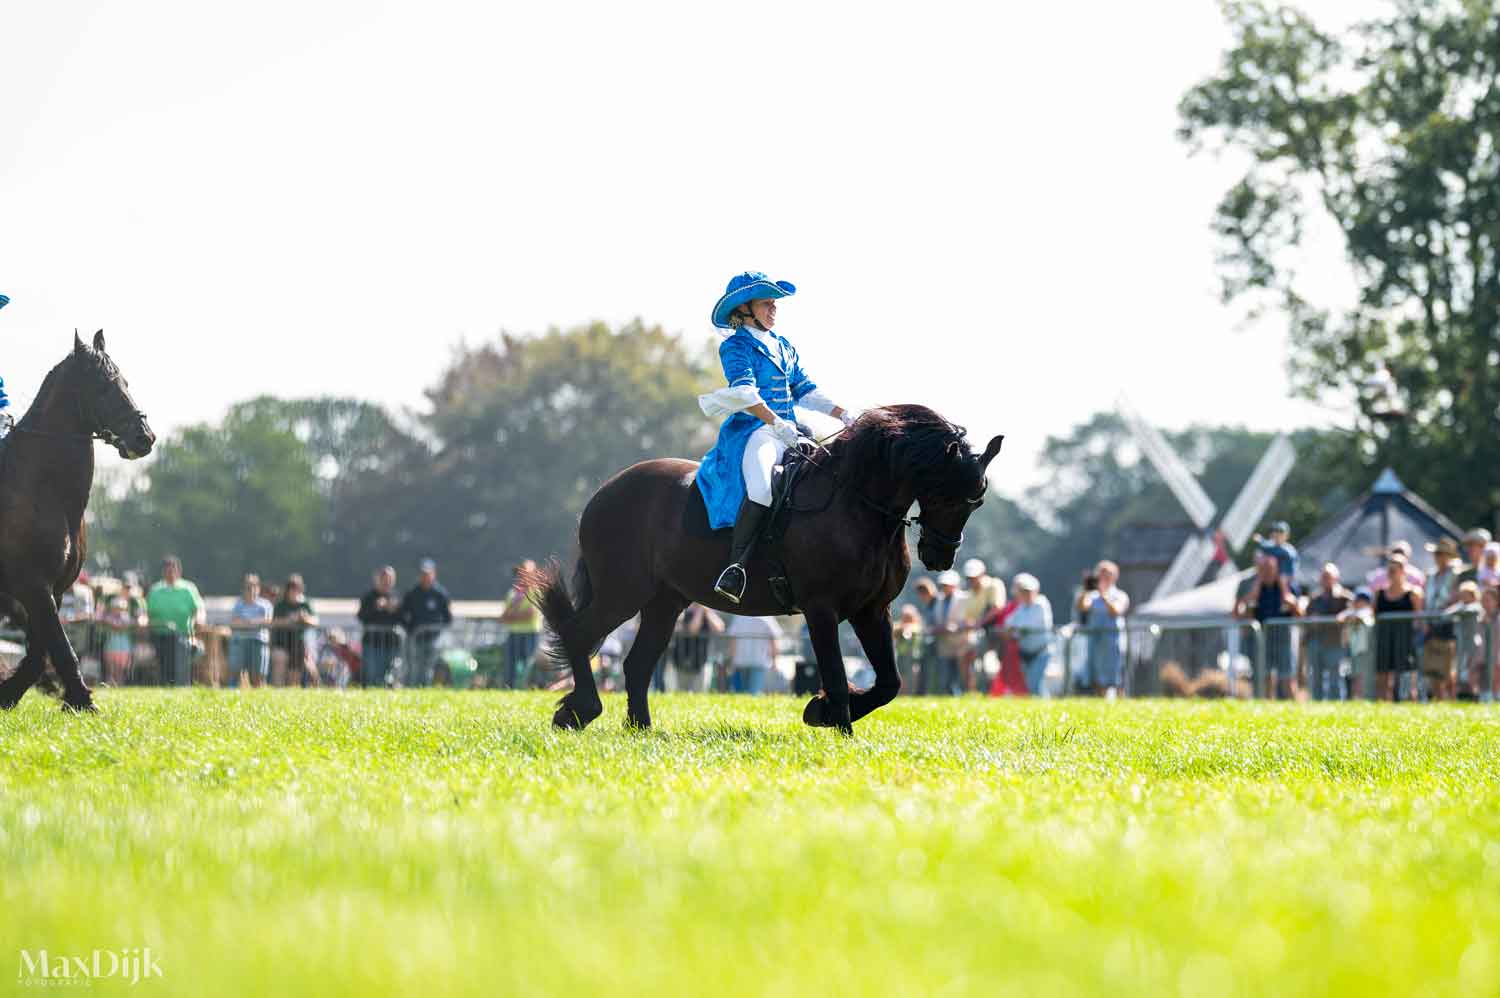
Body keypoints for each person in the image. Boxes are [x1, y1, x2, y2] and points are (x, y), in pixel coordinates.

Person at [696, 272, 858, 604]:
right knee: (761, 488)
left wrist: (843, 413)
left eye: (774, 304)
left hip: (791, 429)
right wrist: (777, 424)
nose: (773, 310)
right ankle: (736, 567)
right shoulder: (736, 346)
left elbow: (805, 390)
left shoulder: (783, 346)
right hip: (756, 431)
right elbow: (744, 393)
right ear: (744, 309)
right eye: (766, 303)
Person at [1234, 552, 1302, 699]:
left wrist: (1284, 589)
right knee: (1265, 677)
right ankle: (1267, 707)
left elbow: (1300, 614)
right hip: (1261, 641)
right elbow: (1239, 611)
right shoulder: (1252, 585)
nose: (1266, 572)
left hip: (1284, 639)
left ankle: (1295, 708)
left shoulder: (1288, 584)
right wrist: (1255, 588)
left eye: (1269, 568)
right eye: (1263, 568)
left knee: (1287, 677)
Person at [146, 556, 205, 686]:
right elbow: (147, 613)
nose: (170, 574)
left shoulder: (188, 589)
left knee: (183, 658)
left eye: (173, 570)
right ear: (163, 572)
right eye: (167, 571)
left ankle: (182, 685)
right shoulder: (155, 590)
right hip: (160, 636)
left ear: (179, 571)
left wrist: (199, 620)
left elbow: (199, 609)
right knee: (165, 664)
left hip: (183, 635)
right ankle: (167, 685)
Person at [1373, 554, 1423, 701]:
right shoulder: (1379, 594)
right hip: (1384, 639)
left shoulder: (1413, 594)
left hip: (1406, 640)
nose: (1391, 573)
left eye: (1394, 570)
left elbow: (1419, 619)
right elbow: (1373, 614)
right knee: (1383, 677)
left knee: (1407, 678)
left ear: (1403, 571)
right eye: (1389, 570)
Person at [1077, 560, 1129, 698]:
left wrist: (1103, 595)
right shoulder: (1091, 595)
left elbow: (1115, 611)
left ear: (1114, 576)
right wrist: (1085, 590)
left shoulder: (1119, 595)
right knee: (1096, 678)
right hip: (1095, 640)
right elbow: (1082, 607)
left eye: (1107, 574)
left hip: (1113, 642)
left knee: (1116, 678)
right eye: (1101, 573)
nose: (1103, 577)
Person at [1420, 538, 1463, 700]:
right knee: (1432, 666)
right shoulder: (1430, 576)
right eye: (1437, 554)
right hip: (1432, 624)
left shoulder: (1457, 574)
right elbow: (1426, 599)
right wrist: (1424, 621)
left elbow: (1457, 596)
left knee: (1448, 665)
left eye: (1442, 554)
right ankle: (1439, 699)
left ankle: (1451, 699)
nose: (1438, 557)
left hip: (1449, 624)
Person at [400, 558, 453, 686]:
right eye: (423, 574)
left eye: (428, 574)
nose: (425, 577)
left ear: (433, 574)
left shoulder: (440, 594)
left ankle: (424, 688)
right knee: (413, 666)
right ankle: (411, 688)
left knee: (428, 668)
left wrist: (437, 629)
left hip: (433, 638)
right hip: (415, 638)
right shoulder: (412, 594)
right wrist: (411, 629)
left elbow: (447, 617)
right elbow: (403, 614)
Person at [1303, 563, 1352, 701]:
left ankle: (1336, 704)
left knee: (1335, 677)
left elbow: (1353, 608)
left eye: (1328, 576)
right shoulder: (1315, 598)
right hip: (1315, 641)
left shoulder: (1344, 596)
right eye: (1323, 577)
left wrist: (1343, 615)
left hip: (1335, 642)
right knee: (1316, 677)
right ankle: (1317, 703)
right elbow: (1307, 616)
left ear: (1336, 578)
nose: (1325, 580)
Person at [958, 559, 1005, 692]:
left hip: (997, 632)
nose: (972, 580)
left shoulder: (994, 585)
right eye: (969, 578)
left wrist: (978, 623)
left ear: (982, 573)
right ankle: (972, 690)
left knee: (993, 664)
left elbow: (996, 608)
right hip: (982, 634)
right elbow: (969, 617)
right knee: (967, 656)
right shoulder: (970, 594)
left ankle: (993, 690)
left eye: (974, 577)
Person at [1004, 573, 1053, 696]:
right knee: (1034, 685)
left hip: (1041, 652)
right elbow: (1009, 623)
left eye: (1028, 591)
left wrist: (1014, 629)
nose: (1026, 594)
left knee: (1034, 684)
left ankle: (1045, 709)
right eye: (1023, 591)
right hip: (1025, 653)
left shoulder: (1041, 603)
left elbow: (1029, 626)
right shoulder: (1021, 607)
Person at [500, 561, 544, 689]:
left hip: (530, 633)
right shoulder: (512, 594)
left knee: (529, 664)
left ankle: (530, 687)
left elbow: (530, 615)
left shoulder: (535, 592)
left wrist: (513, 615)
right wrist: (517, 612)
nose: (522, 576)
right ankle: (509, 688)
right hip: (513, 633)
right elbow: (504, 618)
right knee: (510, 664)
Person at [356, 566, 402, 689]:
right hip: (372, 644)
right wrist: (375, 607)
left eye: (389, 579)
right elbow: (361, 616)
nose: (386, 582)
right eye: (384, 579)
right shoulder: (368, 597)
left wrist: (394, 610)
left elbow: (404, 619)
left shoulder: (396, 597)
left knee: (392, 674)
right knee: (372, 676)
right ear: (378, 579)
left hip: (392, 643)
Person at [271, 575, 320, 687]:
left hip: (298, 643)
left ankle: (292, 690)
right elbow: (274, 621)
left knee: (295, 673)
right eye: (292, 588)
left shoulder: (305, 604)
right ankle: (278, 692)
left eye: (298, 588)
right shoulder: (280, 605)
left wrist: (304, 618)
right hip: (281, 643)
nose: (295, 591)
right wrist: (290, 620)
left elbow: (315, 621)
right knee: (280, 667)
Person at [227, 573, 274, 689]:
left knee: (259, 675)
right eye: (247, 587)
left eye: (253, 586)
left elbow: (268, 621)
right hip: (240, 641)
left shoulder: (265, 605)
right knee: (235, 673)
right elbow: (234, 623)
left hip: (259, 642)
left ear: (258, 588)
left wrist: (246, 622)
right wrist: (254, 622)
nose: (250, 590)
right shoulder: (238, 604)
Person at [928, 571, 969, 695]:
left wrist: (955, 627)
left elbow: (969, 619)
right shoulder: (939, 600)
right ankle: (952, 693)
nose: (945, 587)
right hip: (944, 642)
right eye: (943, 585)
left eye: (947, 585)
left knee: (961, 673)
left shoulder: (964, 598)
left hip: (961, 642)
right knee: (947, 674)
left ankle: (963, 693)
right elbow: (935, 619)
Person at [671, 603, 724, 692]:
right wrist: (700, 611)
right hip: (682, 660)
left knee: (700, 692)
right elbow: (693, 629)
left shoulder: (707, 611)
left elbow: (720, 628)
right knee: (681, 693)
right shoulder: (685, 610)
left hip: (702, 661)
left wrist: (706, 611)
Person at [725, 613, 782, 694]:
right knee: (754, 693)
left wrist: (732, 661)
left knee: (739, 694)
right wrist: (775, 661)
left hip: (741, 661)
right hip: (759, 661)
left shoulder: (739, 616)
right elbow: (774, 640)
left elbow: (733, 641)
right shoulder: (767, 617)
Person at [1339, 587, 1375, 700]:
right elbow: (1340, 617)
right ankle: (1357, 699)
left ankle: (1365, 699)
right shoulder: (1351, 612)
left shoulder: (1368, 612)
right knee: (1353, 678)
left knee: (1365, 680)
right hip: (1354, 651)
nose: (1357, 603)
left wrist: (1352, 614)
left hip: (1367, 652)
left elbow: (1361, 616)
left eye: (1360, 600)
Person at [1254, 520, 1300, 591]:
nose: (1277, 534)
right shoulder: (1271, 545)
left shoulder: (1289, 551)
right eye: (1276, 531)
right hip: (1272, 580)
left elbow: (1278, 552)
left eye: (1281, 532)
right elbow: (1265, 546)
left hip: (1288, 584)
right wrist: (1260, 540)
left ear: (1286, 536)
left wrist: (1261, 541)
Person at [100, 595, 135, 685]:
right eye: (116, 608)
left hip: (124, 647)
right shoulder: (108, 617)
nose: (118, 610)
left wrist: (116, 625)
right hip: (111, 646)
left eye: (120, 608)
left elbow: (122, 625)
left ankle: (119, 685)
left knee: (121, 670)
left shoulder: (127, 618)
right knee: (111, 669)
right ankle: (110, 685)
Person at [892, 604, 925, 692]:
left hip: (913, 656)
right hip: (902, 656)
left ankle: (911, 693)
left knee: (913, 676)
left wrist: (906, 629)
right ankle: (903, 693)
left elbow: (913, 631)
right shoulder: (899, 627)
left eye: (908, 617)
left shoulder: (916, 627)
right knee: (902, 677)